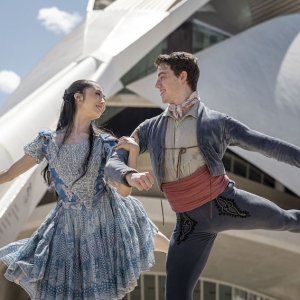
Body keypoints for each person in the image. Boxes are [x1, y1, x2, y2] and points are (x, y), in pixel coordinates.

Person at [105, 52, 300, 300]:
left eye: (162, 77)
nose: (157, 85)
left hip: (228, 204)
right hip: (189, 225)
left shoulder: (217, 123)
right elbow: (114, 159)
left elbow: (266, 145)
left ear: (182, 76)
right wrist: (129, 175)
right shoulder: (149, 128)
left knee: (285, 220)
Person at [0, 79, 169, 300]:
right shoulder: (47, 141)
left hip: (108, 219)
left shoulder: (106, 144)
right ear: (78, 97)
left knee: (169, 246)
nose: (103, 100)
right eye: (97, 94)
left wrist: (133, 153)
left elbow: (124, 192)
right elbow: (10, 174)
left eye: (104, 97)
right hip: (67, 228)